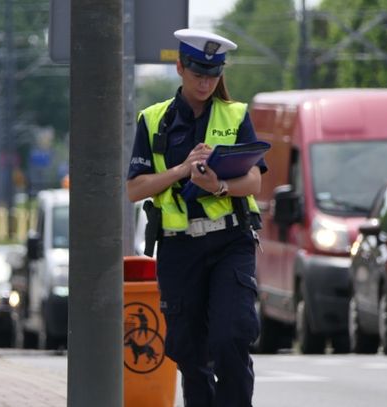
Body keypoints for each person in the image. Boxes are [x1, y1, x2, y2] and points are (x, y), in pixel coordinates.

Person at [126, 28, 267, 407]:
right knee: (190, 353)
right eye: (198, 72)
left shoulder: (235, 115)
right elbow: (134, 189)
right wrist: (182, 171)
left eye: (213, 73)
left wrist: (218, 184)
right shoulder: (153, 120)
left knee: (231, 336)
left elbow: (253, 179)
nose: (205, 81)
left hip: (229, 242)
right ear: (180, 68)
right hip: (179, 248)